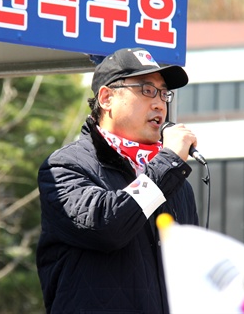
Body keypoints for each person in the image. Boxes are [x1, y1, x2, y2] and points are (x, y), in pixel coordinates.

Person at [36, 47, 200, 313]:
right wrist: (168, 162)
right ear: (107, 98)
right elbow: (107, 226)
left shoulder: (176, 183)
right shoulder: (64, 167)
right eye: (147, 90)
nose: (159, 103)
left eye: (163, 93)